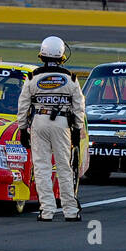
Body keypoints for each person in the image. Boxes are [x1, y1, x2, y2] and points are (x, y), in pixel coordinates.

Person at [17, 35, 85, 222]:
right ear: (62, 55)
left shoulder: (33, 77)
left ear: (42, 55)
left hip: (39, 122)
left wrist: (22, 128)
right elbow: (79, 106)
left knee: (41, 168)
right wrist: (78, 129)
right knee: (64, 167)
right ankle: (70, 211)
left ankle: (46, 211)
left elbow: (23, 104)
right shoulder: (70, 78)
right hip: (62, 124)